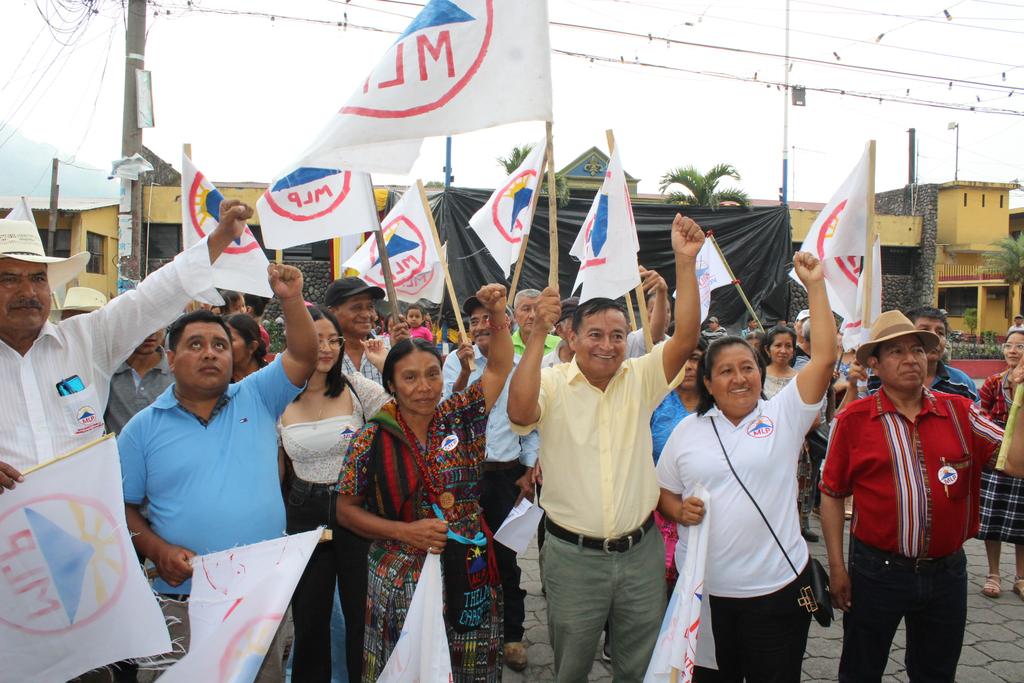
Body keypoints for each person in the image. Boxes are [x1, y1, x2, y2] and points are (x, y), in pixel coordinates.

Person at [508, 213, 705, 682]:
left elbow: (687, 338)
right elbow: (518, 413)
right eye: (594, 334)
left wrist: (685, 263)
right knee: (571, 668)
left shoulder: (640, 379)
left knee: (638, 667)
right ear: (571, 338)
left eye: (618, 335)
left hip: (641, 554)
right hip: (573, 558)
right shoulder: (552, 384)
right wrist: (537, 332)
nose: (608, 344)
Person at [118, 263, 317, 681]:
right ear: (170, 359)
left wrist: (291, 298)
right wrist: (156, 550)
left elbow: (303, 354)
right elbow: (121, 509)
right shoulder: (141, 430)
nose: (209, 353)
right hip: (180, 598)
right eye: (195, 345)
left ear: (233, 356)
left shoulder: (258, 396)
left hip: (260, 598)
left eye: (219, 345)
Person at [655, 252, 834, 682]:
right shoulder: (687, 432)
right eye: (726, 371)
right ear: (710, 383)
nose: (740, 378)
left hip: (776, 590)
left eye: (748, 368)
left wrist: (816, 285)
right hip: (704, 596)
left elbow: (825, 358)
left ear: (760, 372)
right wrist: (677, 511)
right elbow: (661, 489)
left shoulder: (784, 415)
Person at [820, 309, 1024, 683]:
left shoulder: (960, 411)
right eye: (895, 352)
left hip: (947, 572)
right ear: (875, 365)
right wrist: (837, 568)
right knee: (861, 670)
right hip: (876, 571)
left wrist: (1022, 400)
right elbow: (831, 495)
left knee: (935, 673)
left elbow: (1016, 462)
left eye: (916, 349)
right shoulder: (853, 421)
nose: (910, 358)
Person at [0, 202, 252, 492]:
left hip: (89, 528)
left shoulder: (86, 338)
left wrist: (220, 237)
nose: (28, 292)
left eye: (38, 279)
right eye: (9, 279)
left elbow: (151, 297)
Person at [336, 284, 514, 682]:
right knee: (409, 668)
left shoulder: (460, 415)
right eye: (410, 377)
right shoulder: (371, 437)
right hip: (401, 574)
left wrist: (497, 314)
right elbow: (344, 510)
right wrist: (406, 531)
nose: (424, 386)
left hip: (469, 565)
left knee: (469, 662)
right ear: (392, 385)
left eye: (432, 374)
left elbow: (500, 367)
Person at [279, 305, 391, 682]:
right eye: (316, 339)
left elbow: (408, 415)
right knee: (309, 617)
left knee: (363, 614)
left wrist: (386, 363)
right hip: (303, 510)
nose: (325, 348)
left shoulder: (359, 388)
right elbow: (272, 465)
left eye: (333, 339)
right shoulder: (276, 395)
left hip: (355, 510)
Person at [443, 295, 539, 672]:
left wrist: (529, 468)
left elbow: (531, 420)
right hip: (464, 477)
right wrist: (466, 372)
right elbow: (447, 411)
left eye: (488, 318)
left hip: (505, 475)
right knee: (465, 556)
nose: (481, 325)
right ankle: (470, 631)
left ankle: (513, 634)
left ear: (506, 323)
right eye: (475, 320)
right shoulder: (453, 362)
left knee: (507, 557)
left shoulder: (520, 367)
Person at [650, 338, 707, 594]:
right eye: (682, 358)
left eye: (695, 358)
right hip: (656, 510)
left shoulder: (720, 407)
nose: (689, 366)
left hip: (703, 514)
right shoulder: (654, 403)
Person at [977, 331, 1024, 599]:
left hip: (1023, 453)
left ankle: (1021, 576)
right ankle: (993, 573)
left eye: (1020, 346)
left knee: (1022, 519)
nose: (1013, 350)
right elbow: (980, 414)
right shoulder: (994, 382)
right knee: (992, 516)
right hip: (996, 456)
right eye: (1009, 345)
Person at [866, 305, 978, 402]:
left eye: (940, 333)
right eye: (925, 330)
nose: (936, 337)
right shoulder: (875, 377)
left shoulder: (963, 384)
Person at [324, 276, 408, 385]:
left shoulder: (390, 347)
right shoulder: (321, 354)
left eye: (370, 306)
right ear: (332, 313)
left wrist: (404, 351)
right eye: (356, 307)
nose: (366, 314)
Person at [104, 328, 173, 435]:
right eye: (145, 323)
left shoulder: (179, 372)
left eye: (158, 323)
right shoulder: (106, 372)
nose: (151, 332)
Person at [625, 266, 671, 358]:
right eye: (653, 310)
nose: (664, 315)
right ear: (644, 312)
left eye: (667, 311)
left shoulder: (672, 344)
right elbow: (654, 335)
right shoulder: (634, 339)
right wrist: (661, 291)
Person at [511, 288, 561, 356]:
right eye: (526, 309)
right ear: (514, 315)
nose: (532, 316)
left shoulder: (559, 345)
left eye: (537, 309)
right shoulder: (505, 345)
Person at [226, 312, 268, 382]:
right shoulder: (220, 381)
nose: (222, 346)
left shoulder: (270, 378)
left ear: (252, 347)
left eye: (230, 339)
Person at [541, 297, 578, 368]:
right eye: (577, 325)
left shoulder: (597, 366)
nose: (583, 331)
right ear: (560, 330)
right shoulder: (543, 366)